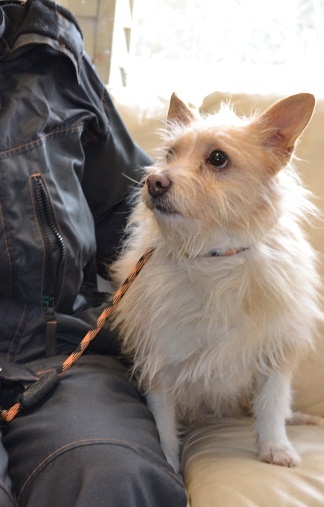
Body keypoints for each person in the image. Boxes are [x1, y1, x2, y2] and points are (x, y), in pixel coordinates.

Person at [0, 0, 187, 505]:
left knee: (115, 478)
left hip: (57, 351)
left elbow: (130, 210)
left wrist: (229, 248)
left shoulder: (53, 56)